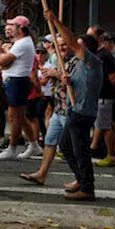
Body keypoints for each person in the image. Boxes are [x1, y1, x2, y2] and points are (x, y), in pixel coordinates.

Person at [48, 12, 103, 201]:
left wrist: (55, 21)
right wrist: (67, 82)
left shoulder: (92, 61)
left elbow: (70, 40)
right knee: (65, 145)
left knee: (81, 150)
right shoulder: (79, 63)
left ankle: (87, 187)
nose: (73, 47)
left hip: (83, 111)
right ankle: (81, 178)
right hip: (76, 108)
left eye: (79, 45)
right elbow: (76, 84)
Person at [20, 35, 76, 187]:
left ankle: (81, 178)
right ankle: (42, 173)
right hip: (59, 108)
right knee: (50, 141)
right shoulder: (59, 60)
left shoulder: (77, 61)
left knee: (71, 146)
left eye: (64, 44)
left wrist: (56, 74)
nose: (61, 48)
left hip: (72, 110)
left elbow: (75, 81)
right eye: (58, 45)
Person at [0, 16, 42, 160]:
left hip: (17, 81)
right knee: (20, 116)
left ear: (20, 28)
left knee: (13, 116)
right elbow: (4, 64)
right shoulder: (20, 43)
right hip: (14, 80)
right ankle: (34, 145)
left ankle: (12, 148)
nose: (9, 27)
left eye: (12, 25)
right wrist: (4, 55)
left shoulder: (22, 43)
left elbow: (1, 61)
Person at [88, 28, 115, 167]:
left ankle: (111, 155)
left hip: (104, 95)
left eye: (91, 36)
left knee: (105, 126)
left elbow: (114, 77)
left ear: (100, 37)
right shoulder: (96, 53)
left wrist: (103, 85)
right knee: (102, 124)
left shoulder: (105, 55)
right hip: (98, 95)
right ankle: (97, 149)